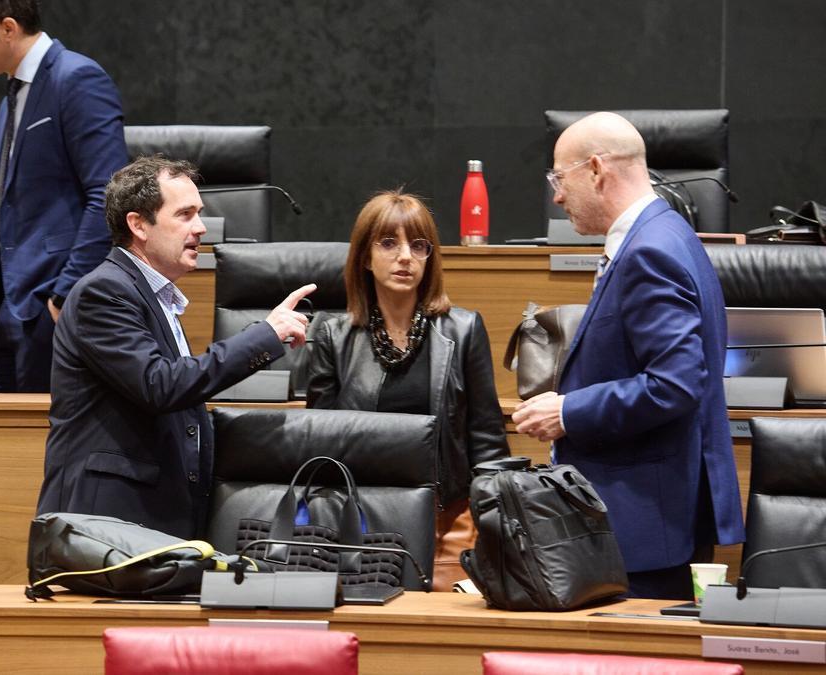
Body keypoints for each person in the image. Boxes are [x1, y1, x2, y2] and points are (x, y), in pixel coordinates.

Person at [512, 112, 744, 599]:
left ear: (596, 169)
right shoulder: (666, 233)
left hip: (645, 524)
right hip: (654, 514)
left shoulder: (649, 251)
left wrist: (568, 410)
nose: (556, 196)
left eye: (559, 178)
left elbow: (675, 384)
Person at [37, 156, 315, 539]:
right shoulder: (104, 292)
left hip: (148, 521)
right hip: (105, 525)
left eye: (199, 214)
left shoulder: (151, 295)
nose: (200, 228)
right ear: (138, 225)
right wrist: (264, 334)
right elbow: (160, 385)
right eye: (184, 215)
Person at [0, 0, 128, 392]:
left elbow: (109, 194)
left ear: (9, 28)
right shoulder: (10, 100)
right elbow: (8, 205)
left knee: (39, 450)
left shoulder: (76, 78)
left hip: (50, 309)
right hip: (7, 310)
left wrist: (63, 298)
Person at [305, 190, 508, 588]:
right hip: (363, 517)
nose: (405, 257)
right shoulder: (333, 335)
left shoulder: (463, 330)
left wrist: (492, 519)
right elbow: (321, 440)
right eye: (388, 243)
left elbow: (486, 438)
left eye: (418, 246)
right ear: (364, 257)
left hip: (450, 519)